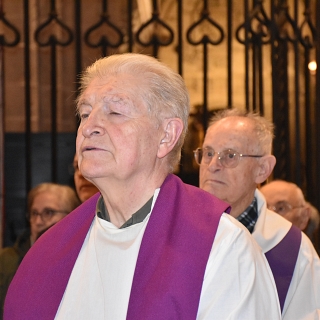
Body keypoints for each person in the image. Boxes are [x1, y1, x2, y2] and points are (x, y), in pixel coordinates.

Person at [4, 54, 281, 320]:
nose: (89, 126)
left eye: (114, 111)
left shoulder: (223, 248)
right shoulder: (49, 251)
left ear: (167, 135)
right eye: (85, 113)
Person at [196, 108, 320, 319]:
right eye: (208, 153)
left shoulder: (293, 251)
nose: (213, 165)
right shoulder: (170, 230)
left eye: (230, 156)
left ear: (263, 169)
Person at [0, 182, 80, 319]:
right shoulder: (5, 260)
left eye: (48, 212)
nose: (38, 221)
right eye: (34, 213)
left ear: (72, 215)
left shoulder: (83, 259)